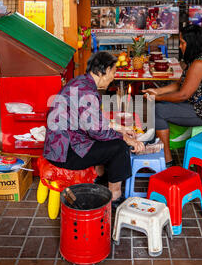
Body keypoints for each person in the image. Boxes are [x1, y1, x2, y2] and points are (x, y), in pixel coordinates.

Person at [43, 52, 145, 207]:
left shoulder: (80, 82)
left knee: (113, 139)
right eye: (113, 72)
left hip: (60, 147)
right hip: (66, 153)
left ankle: (99, 178)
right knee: (119, 147)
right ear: (103, 71)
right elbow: (98, 131)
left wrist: (121, 128)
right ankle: (115, 198)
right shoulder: (87, 92)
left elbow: (93, 121)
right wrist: (125, 138)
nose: (114, 77)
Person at [142, 25, 202, 167]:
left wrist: (157, 98)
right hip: (199, 106)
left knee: (157, 110)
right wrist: (158, 92)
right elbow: (180, 84)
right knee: (159, 106)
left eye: (182, 42)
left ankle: (166, 158)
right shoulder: (197, 59)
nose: (180, 46)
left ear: (192, 42)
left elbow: (183, 95)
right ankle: (156, 145)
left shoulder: (200, 63)